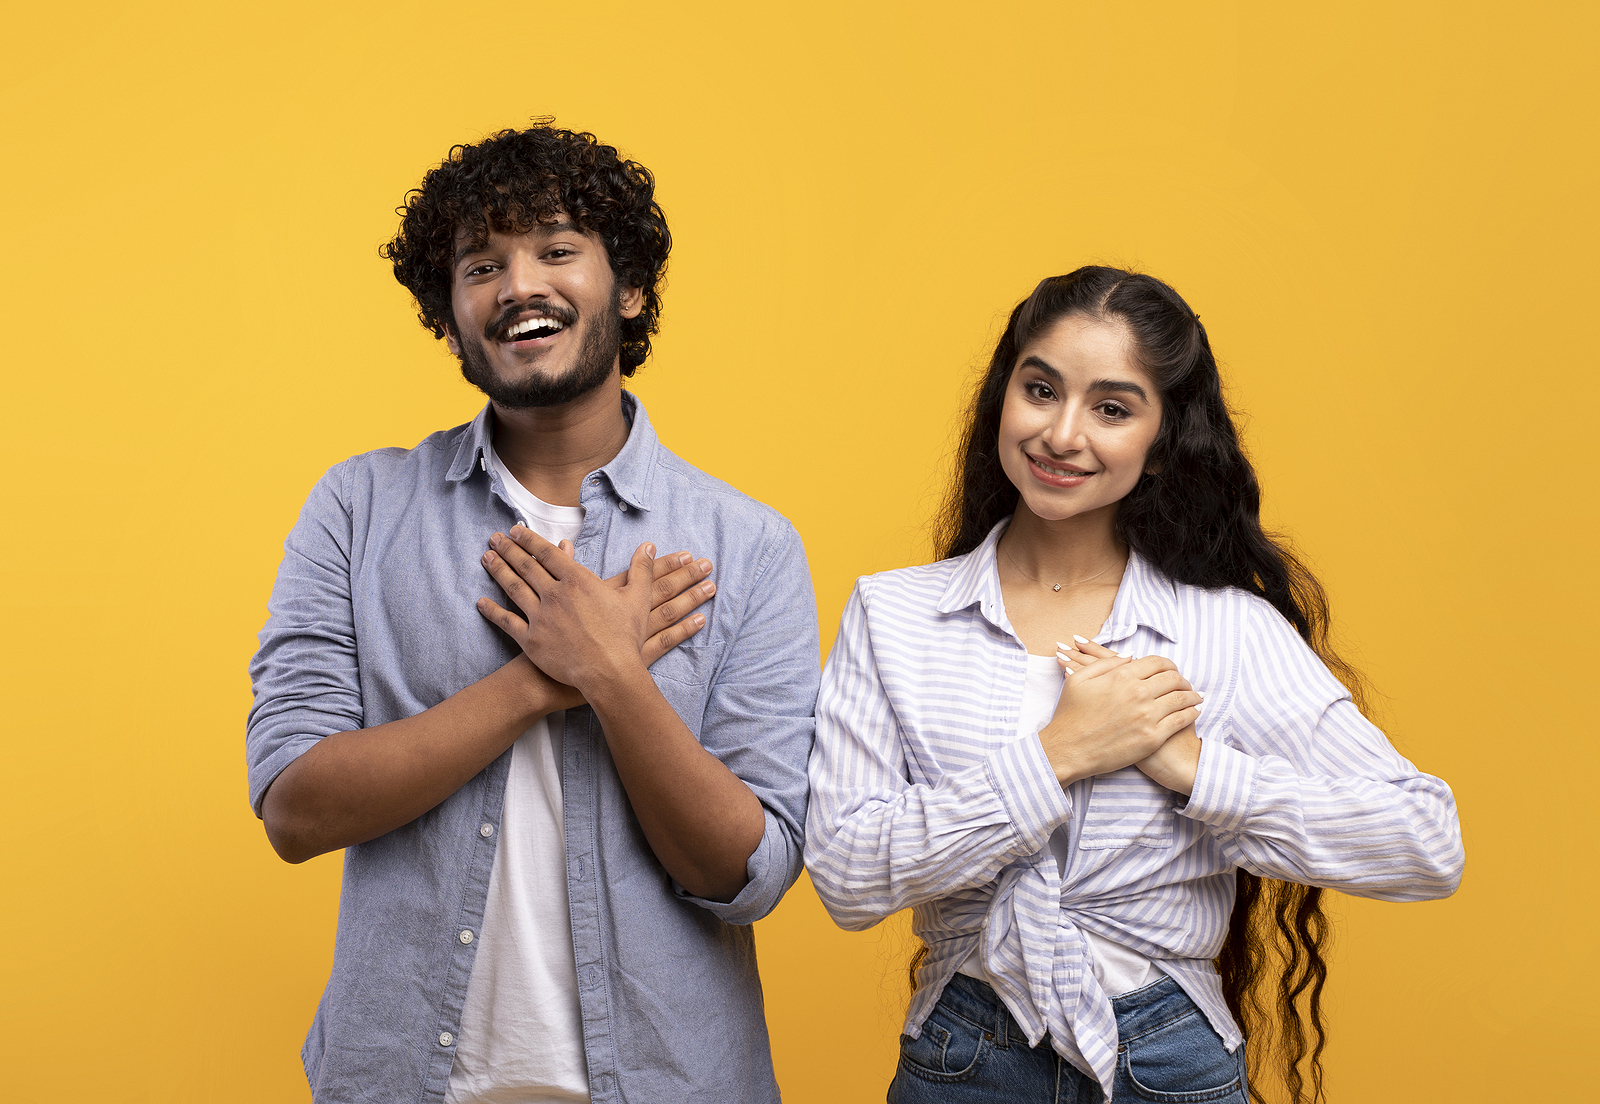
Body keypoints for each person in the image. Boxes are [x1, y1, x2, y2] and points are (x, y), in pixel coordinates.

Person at [246, 122, 820, 1104]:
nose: (519, 284)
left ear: (628, 288)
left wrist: (614, 677)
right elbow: (295, 807)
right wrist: (540, 681)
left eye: (556, 250)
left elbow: (750, 873)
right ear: (451, 311)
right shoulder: (358, 509)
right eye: (482, 265)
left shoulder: (748, 544)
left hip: (670, 1081)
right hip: (402, 1080)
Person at [805, 267, 1464, 1103]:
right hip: (965, 1055)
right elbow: (847, 874)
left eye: (1112, 408)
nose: (1062, 433)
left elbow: (1426, 843)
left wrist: (1195, 770)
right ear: (1001, 399)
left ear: (1163, 442)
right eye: (1040, 390)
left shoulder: (1225, 629)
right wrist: (1059, 756)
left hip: (1170, 1056)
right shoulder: (894, 614)